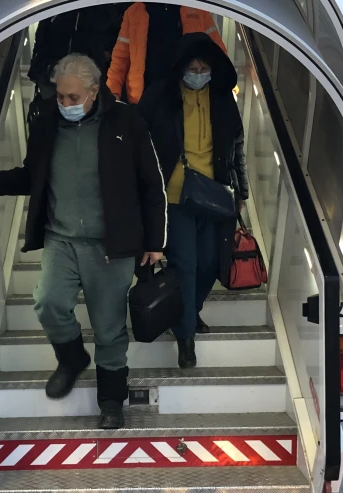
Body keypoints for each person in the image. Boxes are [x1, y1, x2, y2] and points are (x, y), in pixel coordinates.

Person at [0, 54, 166, 429]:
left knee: (109, 328)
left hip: (110, 246)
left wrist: (155, 241)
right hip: (62, 239)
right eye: (60, 96)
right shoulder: (47, 121)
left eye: (73, 97)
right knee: (48, 302)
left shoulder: (126, 121)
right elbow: (34, 174)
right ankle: (72, 357)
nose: (65, 103)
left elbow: (152, 186)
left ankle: (111, 401)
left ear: (94, 91)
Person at [136, 32, 249, 369]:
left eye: (204, 68)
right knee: (185, 264)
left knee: (211, 264)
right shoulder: (160, 96)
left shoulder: (222, 98)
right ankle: (186, 337)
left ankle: (187, 310)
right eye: (193, 68)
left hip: (215, 197)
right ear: (180, 67)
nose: (199, 74)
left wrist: (242, 192)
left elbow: (237, 148)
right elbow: (139, 146)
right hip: (174, 198)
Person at [107, 3, 226, 104]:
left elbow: (219, 55)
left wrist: (221, 89)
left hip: (186, 100)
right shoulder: (134, 12)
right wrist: (112, 93)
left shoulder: (198, 11)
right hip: (143, 101)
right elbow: (120, 60)